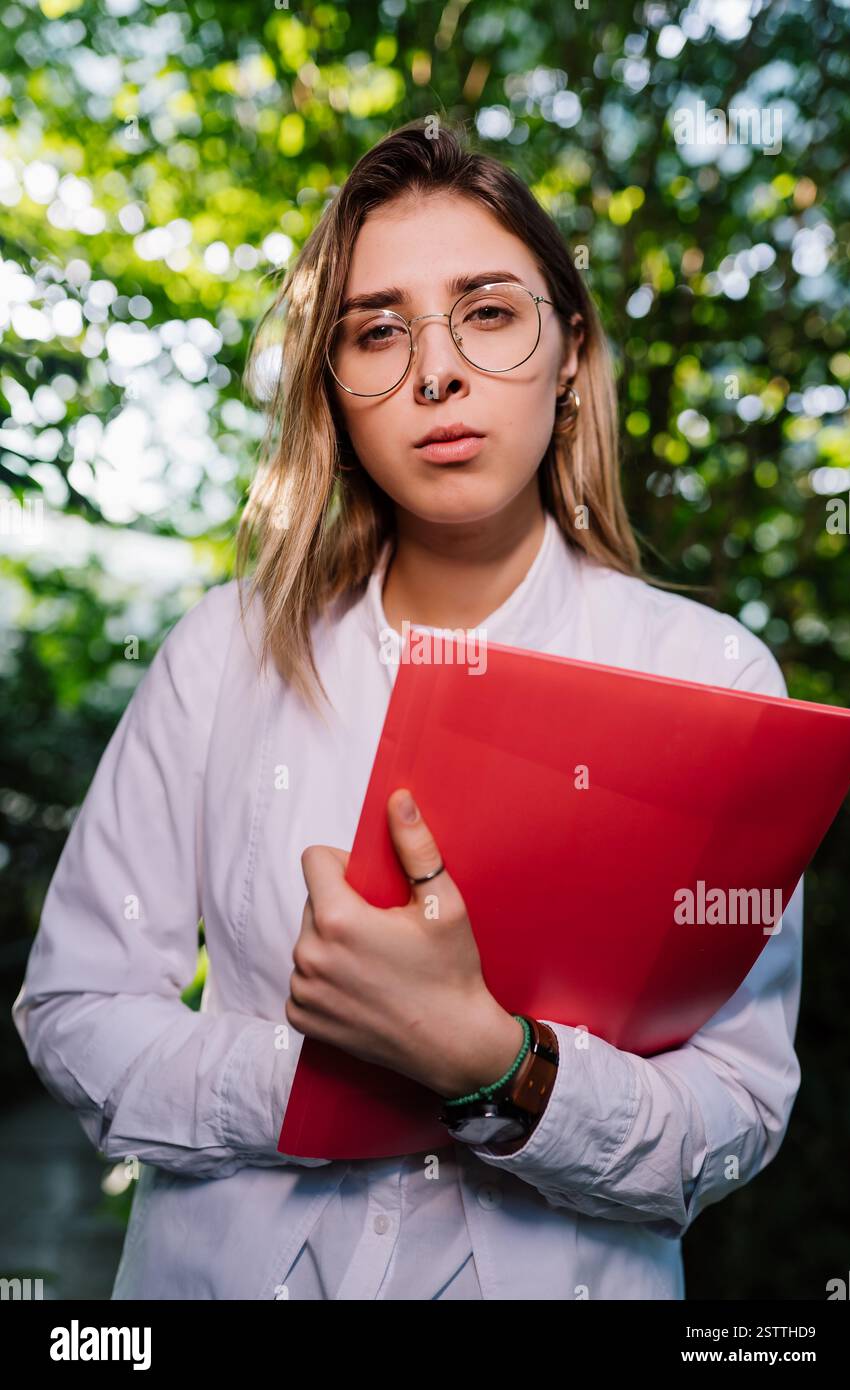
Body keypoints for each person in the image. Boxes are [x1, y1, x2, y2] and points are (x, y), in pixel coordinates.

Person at [12, 119, 803, 1301]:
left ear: (569, 353)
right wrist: (322, 1076)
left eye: (487, 312)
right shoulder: (218, 658)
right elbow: (74, 1008)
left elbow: (734, 1109)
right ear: (332, 389)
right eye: (376, 331)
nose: (433, 372)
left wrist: (495, 1065)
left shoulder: (712, 682)